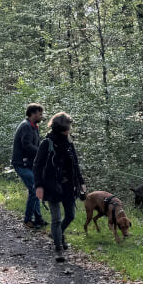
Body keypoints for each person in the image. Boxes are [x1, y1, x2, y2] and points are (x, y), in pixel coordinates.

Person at [32, 111, 84, 262]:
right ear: (59, 128)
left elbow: (75, 163)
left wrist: (81, 183)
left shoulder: (69, 141)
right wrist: (39, 186)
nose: (69, 130)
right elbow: (37, 165)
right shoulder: (46, 143)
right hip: (51, 186)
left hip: (68, 185)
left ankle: (58, 233)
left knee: (70, 216)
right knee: (56, 218)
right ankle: (58, 248)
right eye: (67, 127)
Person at [12, 103, 46, 229]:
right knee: (33, 189)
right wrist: (41, 151)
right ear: (32, 113)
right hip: (21, 164)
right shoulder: (26, 126)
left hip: (30, 164)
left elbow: (35, 144)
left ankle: (38, 218)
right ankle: (27, 220)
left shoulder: (34, 126)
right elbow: (26, 145)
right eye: (39, 113)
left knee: (36, 189)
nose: (41, 116)